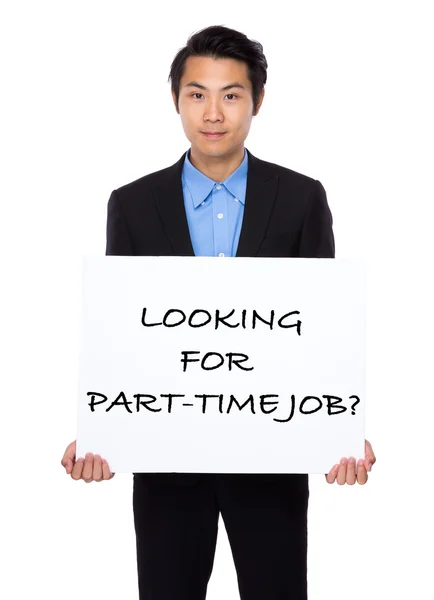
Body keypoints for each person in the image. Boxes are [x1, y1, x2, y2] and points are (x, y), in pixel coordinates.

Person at [61, 24, 376, 600]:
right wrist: (97, 429)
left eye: (231, 94)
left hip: (271, 461)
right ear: (176, 99)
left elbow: (320, 330)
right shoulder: (131, 204)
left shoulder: (303, 198)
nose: (213, 112)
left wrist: (341, 429)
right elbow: (127, 331)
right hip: (166, 467)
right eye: (197, 93)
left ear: (257, 100)